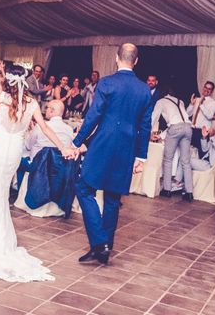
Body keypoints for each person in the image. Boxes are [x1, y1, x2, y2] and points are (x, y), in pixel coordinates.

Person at [0, 50, 74, 282]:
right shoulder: (32, 103)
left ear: (8, 81)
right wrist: (62, 147)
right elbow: (46, 129)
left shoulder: (3, 97)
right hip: (13, 153)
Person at [68, 43, 152, 265]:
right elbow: (145, 126)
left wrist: (76, 142)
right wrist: (141, 157)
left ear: (117, 58)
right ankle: (104, 248)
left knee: (84, 188)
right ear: (136, 61)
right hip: (127, 147)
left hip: (103, 144)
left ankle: (99, 243)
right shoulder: (144, 89)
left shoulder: (107, 83)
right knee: (113, 198)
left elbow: (93, 116)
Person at [151, 87, 193, 200]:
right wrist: (161, 135)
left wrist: (148, 132)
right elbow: (179, 122)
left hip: (175, 128)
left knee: (168, 159)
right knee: (186, 161)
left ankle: (167, 189)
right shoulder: (181, 101)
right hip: (188, 128)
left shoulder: (161, 102)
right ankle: (189, 193)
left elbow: (154, 118)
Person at [187, 81, 215, 158]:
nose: (207, 90)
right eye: (205, 87)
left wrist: (201, 104)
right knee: (189, 152)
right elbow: (188, 114)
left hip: (202, 132)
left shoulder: (213, 103)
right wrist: (191, 104)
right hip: (192, 129)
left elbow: (210, 116)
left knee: (200, 154)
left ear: (212, 91)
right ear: (203, 88)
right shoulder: (197, 99)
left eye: (209, 89)